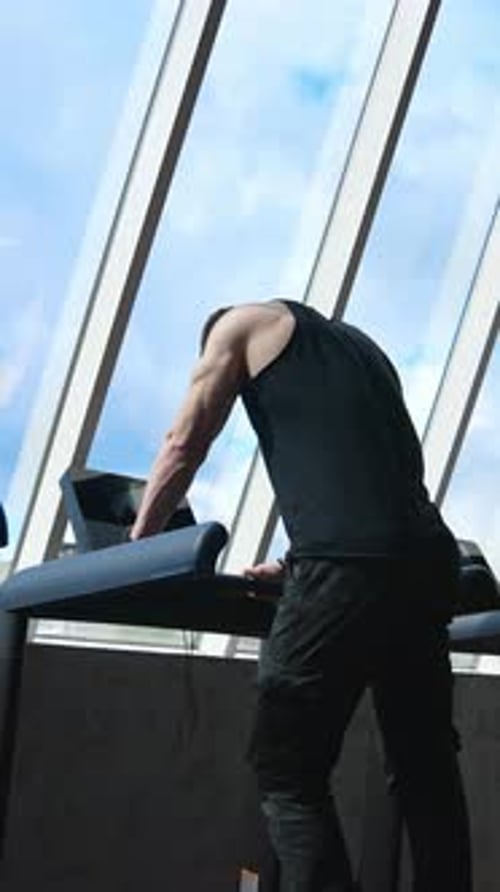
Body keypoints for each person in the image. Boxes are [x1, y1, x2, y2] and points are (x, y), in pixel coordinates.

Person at [130, 299, 472, 892]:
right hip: (425, 564)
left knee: (287, 768)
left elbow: (183, 444)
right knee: (425, 769)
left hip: (346, 569)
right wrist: (294, 564)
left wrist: (137, 547)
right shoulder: (362, 348)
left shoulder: (235, 328)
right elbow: (378, 481)